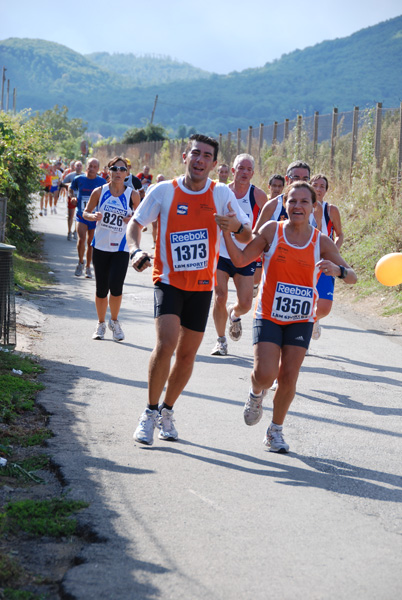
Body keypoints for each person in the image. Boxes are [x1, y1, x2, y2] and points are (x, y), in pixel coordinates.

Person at [127, 133, 251, 445]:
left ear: (213, 163)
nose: (199, 160)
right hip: (168, 281)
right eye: (195, 153)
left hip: (201, 286)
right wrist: (134, 249)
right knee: (166, 343)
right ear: (185, 156)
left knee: (186, 356)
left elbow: (247, 234)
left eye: (207, 156)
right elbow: (135, 224)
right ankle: (149, 412)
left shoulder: (221, 193)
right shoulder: (163, 191)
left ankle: (167, 410)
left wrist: (232, 225)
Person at [216, 181, 357, 453]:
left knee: (289, 377)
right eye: (292, 201)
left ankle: (275, 431)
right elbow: (244, 259)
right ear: (285, 204)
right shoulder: (272, 230)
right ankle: (256, 393)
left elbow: (352, 276)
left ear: (314, 207)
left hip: (301, 319)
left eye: (304, 202)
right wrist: (225, 235)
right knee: (265, 375)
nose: (297, 206)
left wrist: (336, 271)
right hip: (269, 314)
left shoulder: (321, 241)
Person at [211, 153, 267, 356]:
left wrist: (260, 247)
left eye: (248, 169)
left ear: (252, 173)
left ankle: (233, 315)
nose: (243, 172)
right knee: (220, 296)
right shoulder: (222, 192)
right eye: (240, 168)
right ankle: (220, 340)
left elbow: (266, 226)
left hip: (245, 255)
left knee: (245, 303)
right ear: (233, 171)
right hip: (221, 254)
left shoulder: (259, 196)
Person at [83, 156, 140, 341]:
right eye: (114, 169)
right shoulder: (99, 192)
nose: (118, 172)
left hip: (121, 248)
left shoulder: (133, 195)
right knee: (101, 289)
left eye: (122, 169)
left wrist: (131, 220)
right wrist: (93, 216)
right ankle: (100, 324)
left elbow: (142, 222)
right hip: (100, 246)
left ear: (127, 173)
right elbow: (85, 212)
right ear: (108, 171)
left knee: (116, 287)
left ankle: (114, 322)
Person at [310, 173, 344, 340]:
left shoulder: (331, 210)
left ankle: (314, 319)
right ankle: (304, 331)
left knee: (324, 307)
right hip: (305, 261)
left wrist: (333, 252)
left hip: (325, 262)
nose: (318, 189)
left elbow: (340, 234)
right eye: (315, 185)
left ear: (326, 190)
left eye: (322, 186)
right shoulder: (302, 207)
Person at [69, 158, 106, 278]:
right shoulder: (78, 179)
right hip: (82, 214)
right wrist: (73, 197)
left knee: (91, 243)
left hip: (95, 216)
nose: (92, 169)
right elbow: (71, 188)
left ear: (98, 169)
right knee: (81, 239)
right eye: (90, 166)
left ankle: (88, 266)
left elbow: (107, 195)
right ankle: (80, 262)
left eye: (95, 167)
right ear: (86, 167)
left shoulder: (102, 181)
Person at [253, 173, 286, 298]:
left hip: (276, 245)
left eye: (279, 186)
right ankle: (256, 286)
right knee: (256, 279)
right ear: (269, 187)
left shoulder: (285, 204)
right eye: (274, 186)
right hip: (260, 241)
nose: (276, 189)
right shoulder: (263, 201)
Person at [63, 161, 83, 240]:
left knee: (79, 216)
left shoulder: (84, 176)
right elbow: (63, 183)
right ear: (74, 167)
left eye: (80, 166)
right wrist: (70, 185)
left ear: (82, 167)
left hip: (80, 198)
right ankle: (69, 231)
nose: (78, 167)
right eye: (77, 166)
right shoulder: (70, 175)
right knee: (71, 215)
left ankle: (75, 231)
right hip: (72, 197)